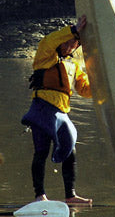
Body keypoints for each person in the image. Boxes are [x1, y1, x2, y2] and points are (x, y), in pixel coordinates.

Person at [21, 14, 92, 206]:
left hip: (61, 113)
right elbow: (49, 40)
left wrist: (103, 82)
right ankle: (39, 195)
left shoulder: (74, 65)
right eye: (67, 42)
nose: (70, 46)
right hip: (42, 109)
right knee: (41, 151)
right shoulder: (45, 56)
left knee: (71, 149)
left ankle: (70, 195)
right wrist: (73, 30)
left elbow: (85, 90)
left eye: (74, 44)